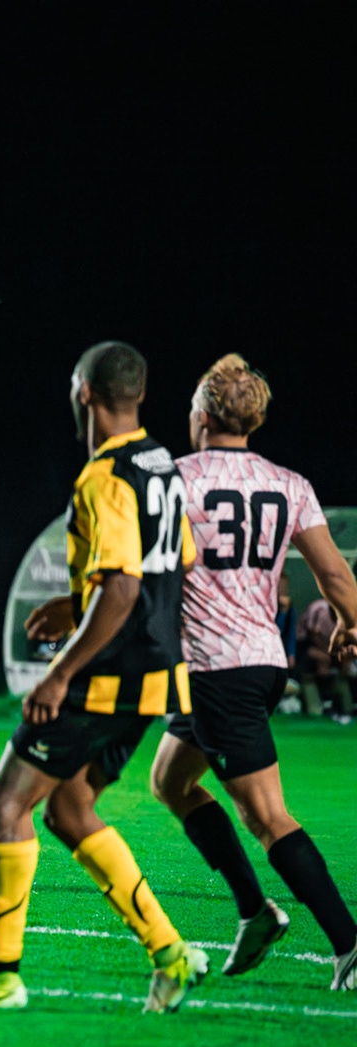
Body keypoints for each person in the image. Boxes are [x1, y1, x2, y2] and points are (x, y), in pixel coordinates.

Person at [0, 341, 208, 1014]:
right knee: (71, 809)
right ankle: (171, 956)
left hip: (104, 678)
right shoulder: (162, 465)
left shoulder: (104, 476)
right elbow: (174, 565)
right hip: (155, 678)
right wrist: (79, 602)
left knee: (6, 804)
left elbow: (121, 589)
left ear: (84, 392)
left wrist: (59, 675)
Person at [147, 355, 356, 991]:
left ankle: (348, 946)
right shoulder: (289, 483)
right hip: (260, 662)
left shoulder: (175, 479)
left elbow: (144, 575)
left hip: (217, 667)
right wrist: (349, 621)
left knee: (267, 816)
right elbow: (334, 574)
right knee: (170, 781)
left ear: (204, 416)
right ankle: (254, 911)